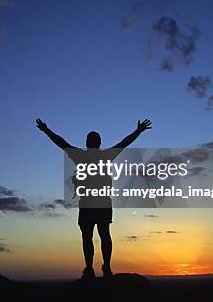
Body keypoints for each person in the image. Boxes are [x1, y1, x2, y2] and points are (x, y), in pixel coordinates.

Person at [36, 117, 152, 280]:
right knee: (102, 235)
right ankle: (103, 267)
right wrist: (138, 131)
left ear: (87, 143)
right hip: (101, 202)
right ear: (99, 143)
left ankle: (92, 268)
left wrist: (46, 130)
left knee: (89, 236)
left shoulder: (81, 156)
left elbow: (62, 143)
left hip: (90, 203)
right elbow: (123, 143)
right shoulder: (104, 156)